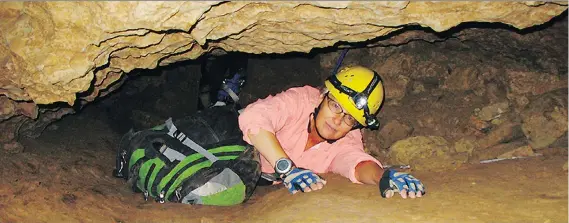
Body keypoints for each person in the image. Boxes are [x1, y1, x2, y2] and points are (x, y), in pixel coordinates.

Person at [238, 65, 425, 199]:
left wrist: (382, 176)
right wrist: (287, 168)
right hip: (234, 154)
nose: (338, 121)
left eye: (349, 118)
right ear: (322, 96)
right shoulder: (301, 101)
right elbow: (253, 116)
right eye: (335, 105)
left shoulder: (347, 140)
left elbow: (356, 162)